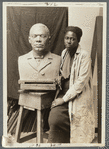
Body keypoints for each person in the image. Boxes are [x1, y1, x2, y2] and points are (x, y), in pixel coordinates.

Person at [48, 26, 95, 143]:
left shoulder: (84, 56)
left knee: (77, 123)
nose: (69, 41)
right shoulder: (64, 53)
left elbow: (80, 82)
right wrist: (59, 77)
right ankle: (58, 143)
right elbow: (64, 72)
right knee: (54, 118)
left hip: (78, 95)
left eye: (73, 39)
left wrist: (63, 100)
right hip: (64, 92)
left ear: (78, 40)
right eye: (66, 38)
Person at [18, 23, 61, 133]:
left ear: (49, 39)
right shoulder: (21, 60)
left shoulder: (58, 60)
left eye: (42, 36)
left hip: (50, 95)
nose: (38, 40)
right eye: (35, 36)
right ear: (29, 39)